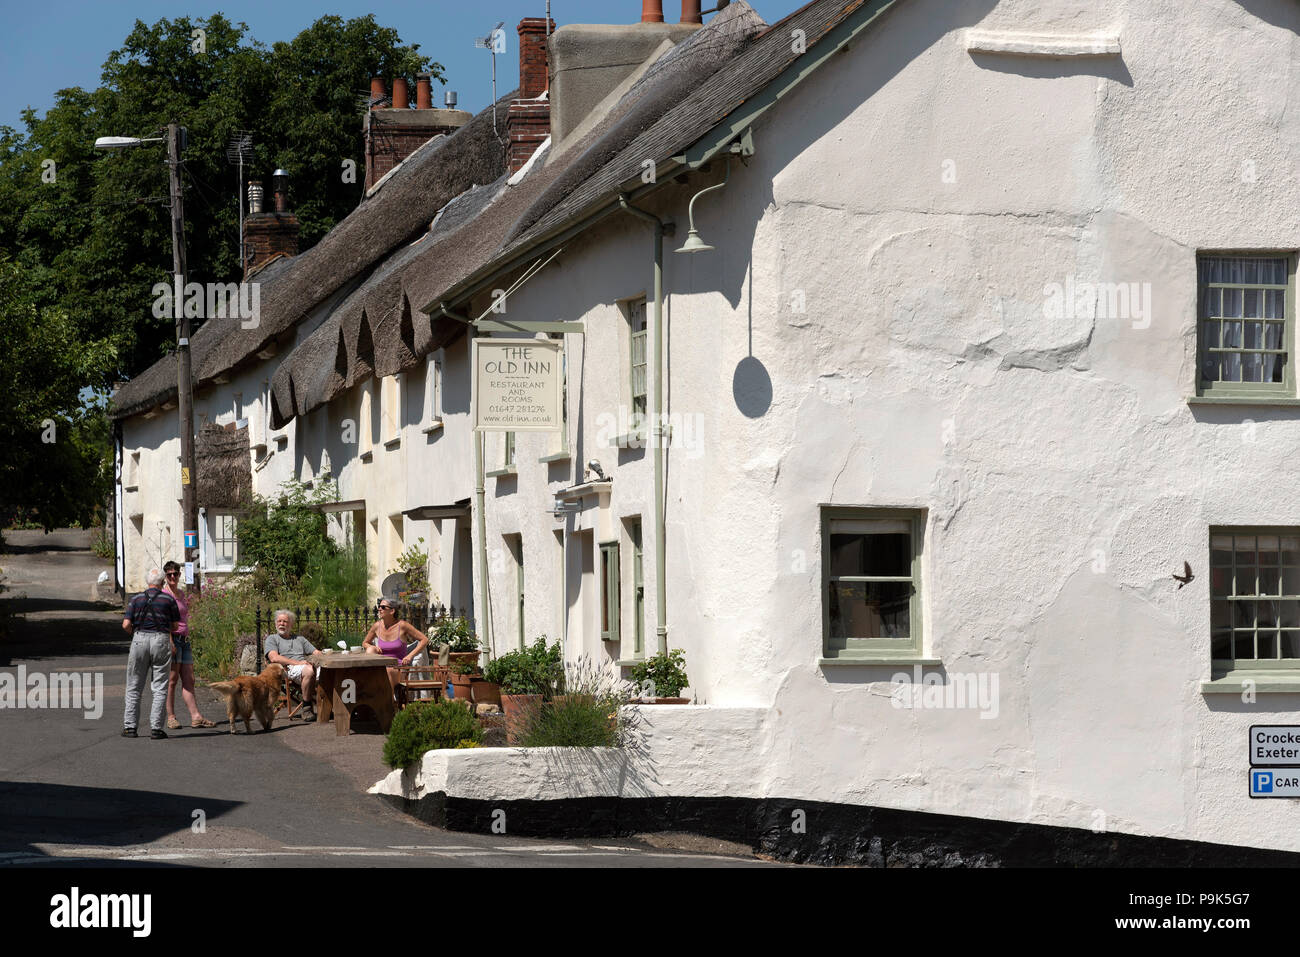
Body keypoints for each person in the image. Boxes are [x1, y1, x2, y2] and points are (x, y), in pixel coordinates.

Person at [122, 568, 179, 739]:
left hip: (139, 638)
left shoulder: (136, 599)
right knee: (160, 686)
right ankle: (156, 728)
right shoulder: (168, 599)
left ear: (147, 582)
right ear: (163, 582)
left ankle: (130, 727)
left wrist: (137, 633)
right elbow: (175, 626)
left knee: (134, 685)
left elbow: (125, 624)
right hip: (161, 640)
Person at [162, 561, 214, 729]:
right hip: (174, 639)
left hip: (185, 640)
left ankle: (196, 716)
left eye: (175, 574)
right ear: (165, 576)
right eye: (169, 574)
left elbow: (184, 617)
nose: (172, 577)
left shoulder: (181, 594)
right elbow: (165, 622)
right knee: (172, 680)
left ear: (179, 575)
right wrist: (170, 641)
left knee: (189, 679)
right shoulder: (164, 595)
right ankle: (171, 717)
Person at [362, 599, 429, 695]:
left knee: (387, 672)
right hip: (381, 667)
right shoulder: (377, 626)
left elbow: (424, 640)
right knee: (370, 649)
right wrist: (373, 647)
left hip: (399, 667)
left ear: (392, 611)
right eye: (379, 607)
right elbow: (365, 643)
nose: (379, 609)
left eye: (383, 607)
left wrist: (410, 656)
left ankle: (389, 704)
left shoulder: (402, 625)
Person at [263, 609, 317, 721]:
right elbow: (274, 658)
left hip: (304, 667)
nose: (281, 624)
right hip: (287, 669)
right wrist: (299, 663)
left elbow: (316, 652)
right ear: (275, 623)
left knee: (330, 671)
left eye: (285, 622)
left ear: (291, 624)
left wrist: (328, 655)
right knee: (309, 670)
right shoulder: (272, 639)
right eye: (279, 621)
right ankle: (307, 707)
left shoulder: (300, 639)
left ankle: (332, 706)